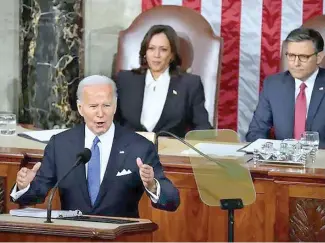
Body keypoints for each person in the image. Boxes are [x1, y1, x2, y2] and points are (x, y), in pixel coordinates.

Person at [11, 75, 180, 218]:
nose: (100, 113)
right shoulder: (60, 145)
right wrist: (23, 186)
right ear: (80, 108)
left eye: (106, 105)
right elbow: (34, 195)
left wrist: (152, 185)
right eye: (93, 106)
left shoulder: (139, 146)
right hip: (73, 236)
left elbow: (172, 201)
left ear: (114, 106)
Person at [114, 24, 212, 138]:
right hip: (129, 150)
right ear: (145, 53)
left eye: (163, 50)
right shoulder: (125, 80)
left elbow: (203, 128)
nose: (156, 55)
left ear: (172, 55)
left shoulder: (190, 84)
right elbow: (111, 121)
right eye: (151, 48)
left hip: (170, 151)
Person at [246, 27, 325, 148]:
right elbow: (256, 132)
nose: (296, 63)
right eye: (291, 56)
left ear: (319, 57)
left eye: (303, 57)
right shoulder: (273, 85)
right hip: (282, 162)